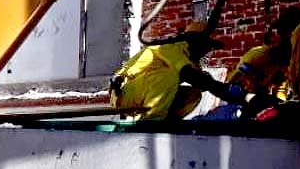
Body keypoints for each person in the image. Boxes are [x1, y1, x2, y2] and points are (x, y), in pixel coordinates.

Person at [110, 21, 276, 121]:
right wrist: (239, 94)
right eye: (207, 46)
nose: (207, 51)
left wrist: (242, 97)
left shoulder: (190, 59)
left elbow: (207, 84)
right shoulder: (172, 48)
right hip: (125, 91)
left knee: (194, 94)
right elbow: (195, 77)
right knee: (168, 76)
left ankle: (168, 122)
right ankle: (152, 123)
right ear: (195, 40)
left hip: (145, 92)